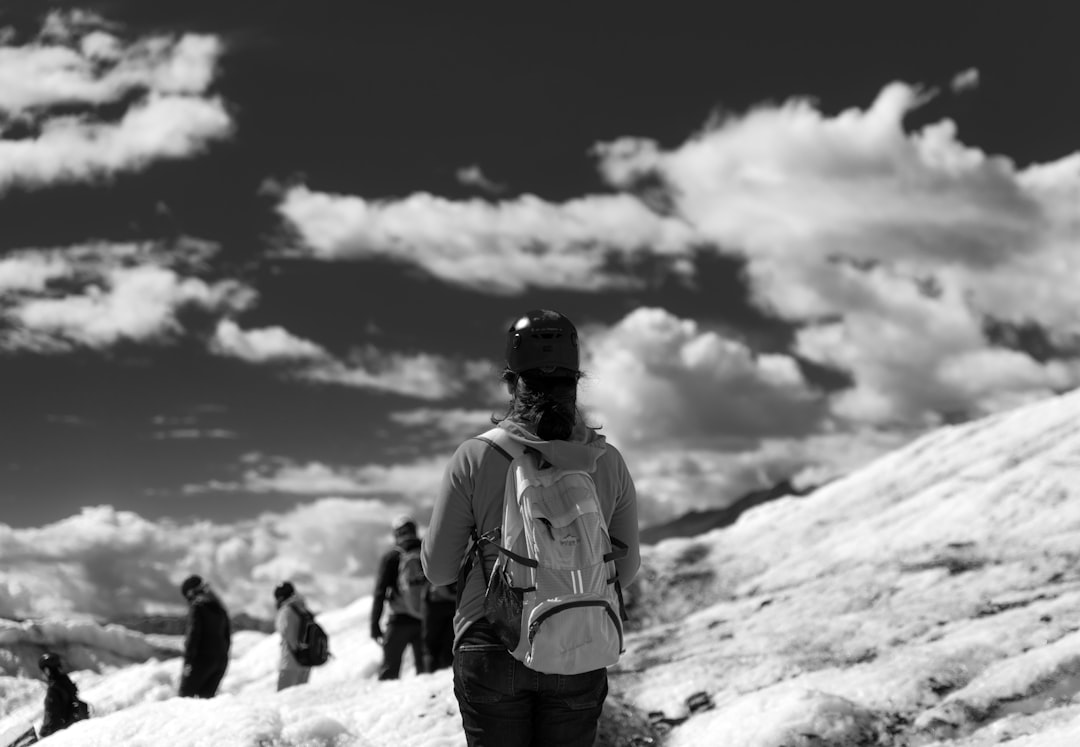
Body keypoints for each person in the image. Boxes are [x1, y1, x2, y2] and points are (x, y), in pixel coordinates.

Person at [421, 308, 641, 747]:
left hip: (489, 642)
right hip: (580, 641)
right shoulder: (607, 461)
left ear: (510, 381)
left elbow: (439, 571)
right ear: (576, 382)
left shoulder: (476, 457)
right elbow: (627, 569)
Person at [370, 515, 426, 679]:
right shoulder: (427, 553)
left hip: (399, 621)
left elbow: (380, 592)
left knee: (389, 672)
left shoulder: (392, 557)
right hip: (425, 619)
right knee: (427, 674)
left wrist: (374, 624)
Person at [178, 574, 232, 698]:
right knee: (205, 702)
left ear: (191, 593)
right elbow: (227, 638)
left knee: (184, 700)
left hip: (201, 661)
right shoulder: (220, 607)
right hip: (221, 661)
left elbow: (193, 635)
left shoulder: (198, 607)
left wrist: (188, 662)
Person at [274, 581, 313, 690]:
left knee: (283, 699)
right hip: (306, 662)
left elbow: (286, 633)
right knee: (299, 700)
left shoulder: (286, 611)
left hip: (290, 663)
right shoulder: (302, 608)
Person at [39, 652, 85, 737]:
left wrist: (42, 735)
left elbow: (52, 720)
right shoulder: (67, 683)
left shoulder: (53, 691)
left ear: (47, 670)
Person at [422, 581, 457, 672]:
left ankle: (429, 681)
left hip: (434, 601)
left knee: (431, 649)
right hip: (455, 603)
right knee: (449, 647)